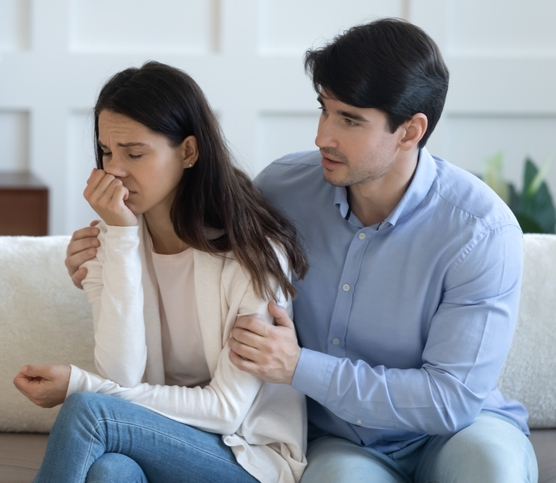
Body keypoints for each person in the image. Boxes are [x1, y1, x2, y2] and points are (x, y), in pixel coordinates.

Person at [66, 19, 539, 483]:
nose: (322, 136)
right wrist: (108, 258)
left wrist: (297, 366)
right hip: (340, 441)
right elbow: (191, 234)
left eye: (349, 120)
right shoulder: (281, 189)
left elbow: (449, 400)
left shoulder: (480, 232)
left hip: (460, 432)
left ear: (411, 132)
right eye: (324, 109)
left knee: (491, 471)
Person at [13, 61, 310, 483]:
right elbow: (122, 373)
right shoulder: (110, 243)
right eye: (106, 152)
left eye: (135, 153)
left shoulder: (253, 254)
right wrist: (119, 239)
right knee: (108, 471)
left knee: (86, 410)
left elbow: (227, 411)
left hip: (248, 457)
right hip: (156, 439)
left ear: (188, 151)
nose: (114, 169)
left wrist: (83, 384)